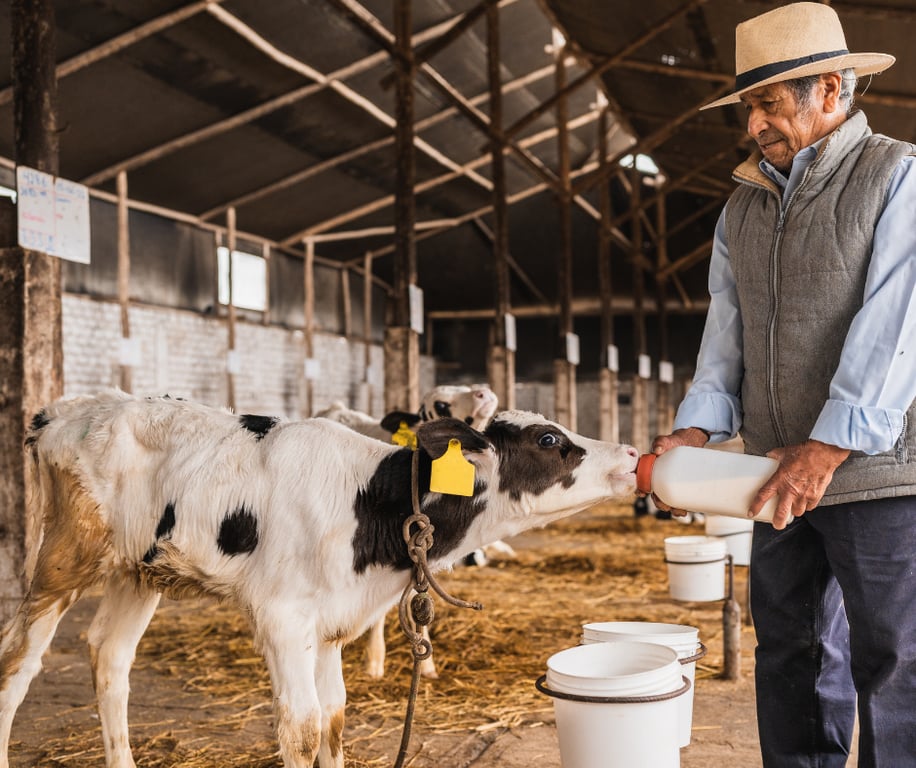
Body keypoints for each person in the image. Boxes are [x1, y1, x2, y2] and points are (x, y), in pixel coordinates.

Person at [648, 3, 916, 766]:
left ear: (830, 89)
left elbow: (898, 320)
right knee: (792, 655)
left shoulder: (897, 175)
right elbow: (726, 330)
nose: (753, 124)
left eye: (768, 103)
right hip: (774, 474)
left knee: (893, 663)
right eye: (749, 106)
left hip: (877, 477)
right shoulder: (743, 206)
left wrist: (827, 447)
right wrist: (696, 427)